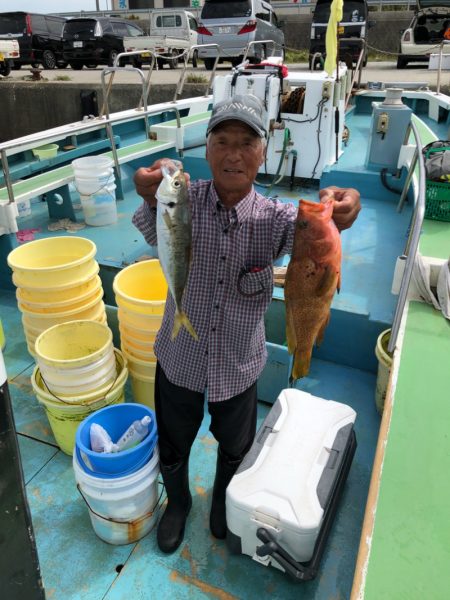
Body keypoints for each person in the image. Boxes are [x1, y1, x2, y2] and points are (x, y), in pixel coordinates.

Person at [132, 94, 361, 554]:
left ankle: (223, 500)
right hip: (179, 357)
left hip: (239, 365)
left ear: (264, 152)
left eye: (246, 143)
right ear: (207, 148)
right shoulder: (181, 198)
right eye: (222, 141)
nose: (233, 154)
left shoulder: (279, 220)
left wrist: (343, 207)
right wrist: (150, 184)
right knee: (173, 444)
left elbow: (321, 230)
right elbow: (153, 193)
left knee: (235, 449)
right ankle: (177, 504)